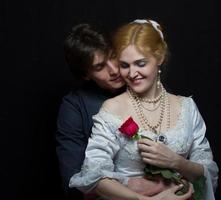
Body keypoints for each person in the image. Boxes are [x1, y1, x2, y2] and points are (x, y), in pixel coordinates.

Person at [69, 19, 219, 200]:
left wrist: (176, 161)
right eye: (124, 65)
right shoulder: (111, 108)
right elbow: (95, 175)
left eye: (140, 63)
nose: (131, 74)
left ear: (160, 58)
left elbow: (207, 171)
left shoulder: (187, 106)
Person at [56, 23, 172, 200]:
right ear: (85, 74)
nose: (114, 70)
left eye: (114, 57)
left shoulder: (143, 84)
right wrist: (134, 186)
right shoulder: (74, 106)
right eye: (99, 67)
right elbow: (72, 184)